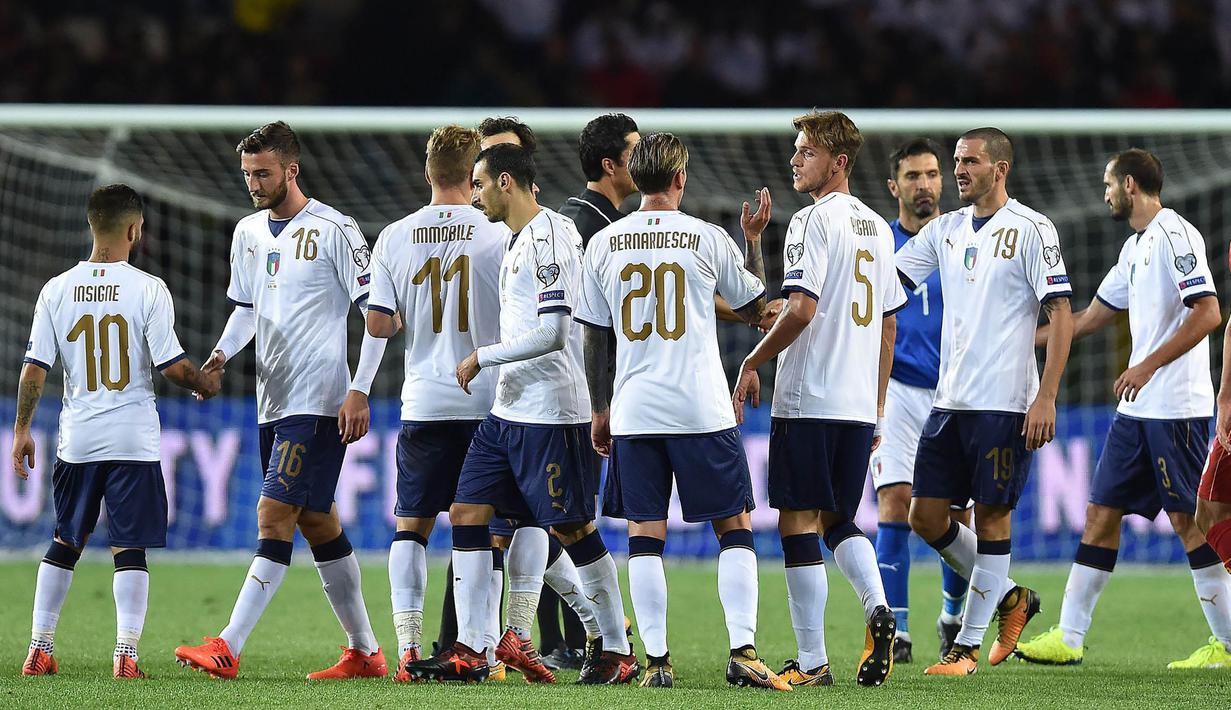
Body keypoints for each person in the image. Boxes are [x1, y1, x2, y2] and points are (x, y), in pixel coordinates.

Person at [403, 144, 636, 684]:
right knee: (467, 513)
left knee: (573, 527)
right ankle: (470, 648)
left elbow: (556, 333)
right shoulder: (515, 241)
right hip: (507, 413)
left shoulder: (552, 235)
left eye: (480, 184)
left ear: (506, 181)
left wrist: (485, 354)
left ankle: (617, 648)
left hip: (551, 412)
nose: (475, 194)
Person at [174, 121, 389, 680]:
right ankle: (365, 652)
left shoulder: (336, 229)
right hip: (271, 397)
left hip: (316, 401)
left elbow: (377, 316)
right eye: (247, 174)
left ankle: (228, 645)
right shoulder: (246, 231)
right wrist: (220, 356)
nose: (253, 183)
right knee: (317, 521)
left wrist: (359, 388)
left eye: (263, 173)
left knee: (274, 515)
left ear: (292, 170)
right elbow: (246, 307)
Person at [580, 132, 787, 691]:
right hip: (700, 407)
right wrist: (751, 241)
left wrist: (600, 406)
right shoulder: (705, 236)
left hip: (635, 409)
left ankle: (657, 663)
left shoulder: (604, 243)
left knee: (645, 536)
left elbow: (594, 336)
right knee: (735, 529)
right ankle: (743, 651)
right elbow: (754, 303)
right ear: (680, 178)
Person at [1019, 148, 1231, 669]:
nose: (1105, 195)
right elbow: (1091, 315)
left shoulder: (1176, 235)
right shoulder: (1134, 247)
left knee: (1188, 523)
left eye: (1109, 185)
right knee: (1099, 514)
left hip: (1175, 407)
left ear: (1130, 185)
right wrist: (1024, 338)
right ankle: (1069, 636)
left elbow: (1208, 313)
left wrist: (1147, 366)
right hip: (1137, 413)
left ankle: (1228, 643)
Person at [17, 184, 221, 678]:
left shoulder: (56, 289)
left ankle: (40, 649)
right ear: (134, 230)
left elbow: (33, 371)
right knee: (129, 548)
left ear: (92, 225)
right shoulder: (147, 288)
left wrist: (23, 429)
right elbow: (172, 366)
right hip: (133, 438)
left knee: (65, 541)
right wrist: (205, 381)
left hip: (78, 438)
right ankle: (125, 655)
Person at [732, 110, 907, 688]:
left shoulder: (811, 221)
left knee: (797, 523)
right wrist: (878, 406)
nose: (794, 160)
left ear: (838, 162)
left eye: (805, 151)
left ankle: (812, 663)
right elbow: (887, 328)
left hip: (809, 397)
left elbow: (800, 310)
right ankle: (880, 610)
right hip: (858, 403)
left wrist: (754, 361)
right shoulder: (880, 229)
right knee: (837, 518)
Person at [895, 127, 1074, 676]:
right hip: (949, 402)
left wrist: (1045, 396)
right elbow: (887, 282)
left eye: (969, 162)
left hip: (1004, 402)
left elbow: (1061, 314)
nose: (958, 171)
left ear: (1000, 169)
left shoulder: (1030, 229)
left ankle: (966, 649)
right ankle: (1012, 596)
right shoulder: (944, 230)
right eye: (956, 161)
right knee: (924, 517)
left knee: (993, 518)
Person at [363, 125, 506, 680]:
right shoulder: (499, 234)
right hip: (487, 401)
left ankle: (406, 647)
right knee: (487, 529)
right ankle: (488, 647)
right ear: (474, 176)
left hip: (424, 400)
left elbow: (378, 321)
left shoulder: (396, 236)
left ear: (427, 173)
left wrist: (362, 382)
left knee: (412, 526)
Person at [542, 111, 642, 669]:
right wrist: (594, 401)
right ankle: (600, 631)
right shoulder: (585, 226)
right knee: (545, 519)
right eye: (634, 151)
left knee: (554, 520)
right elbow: (583, 323)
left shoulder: (589, 221)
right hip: (573, 396)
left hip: (579, 397)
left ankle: (601, 634)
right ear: (611, 165)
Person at [870, 138, 971, 663]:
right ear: (895, 186)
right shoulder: (880, 246)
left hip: (955, 391)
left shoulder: (961, 240)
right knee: (895, 501)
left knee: (956, 512)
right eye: (913, 176)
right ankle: (900, 631)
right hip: (898, 392)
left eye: (933, 174)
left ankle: (953, 618)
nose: (925, 184)